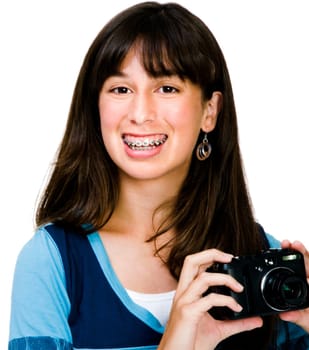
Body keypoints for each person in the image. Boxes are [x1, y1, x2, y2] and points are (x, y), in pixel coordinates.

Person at [8, 2, 309, 349]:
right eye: (121, 89)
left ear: (209, 112)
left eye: (167, 88)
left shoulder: (261, 258)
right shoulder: (51, 262)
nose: (140, 113)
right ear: (96, 107)